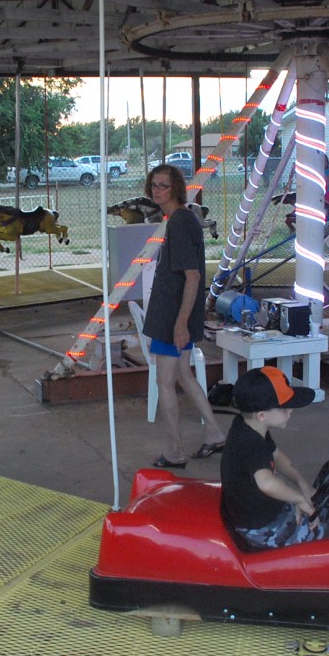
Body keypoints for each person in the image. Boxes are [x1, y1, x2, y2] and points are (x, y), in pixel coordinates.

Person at [140, 163, 226, 468]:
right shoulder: (181, 219)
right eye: (154, 185)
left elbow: (192, 277)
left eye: (163, 185)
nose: (157, 190)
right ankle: (215, 432)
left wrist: (179, 323)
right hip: (175, 314)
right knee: (183, 375)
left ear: (175, 188)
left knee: (165, 382)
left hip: (172, 317)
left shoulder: (179, 223)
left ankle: (176, 450)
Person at [220, 367, 319, 550]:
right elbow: (266, 483)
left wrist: (301, 483)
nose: (290, 411)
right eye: (284, 408)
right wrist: (298, 499)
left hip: (266, 509)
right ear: (262, 415)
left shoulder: (251, 427)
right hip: (260, 527)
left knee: (322, 509)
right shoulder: (250, 443)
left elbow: (277, 455)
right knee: (324, 536)